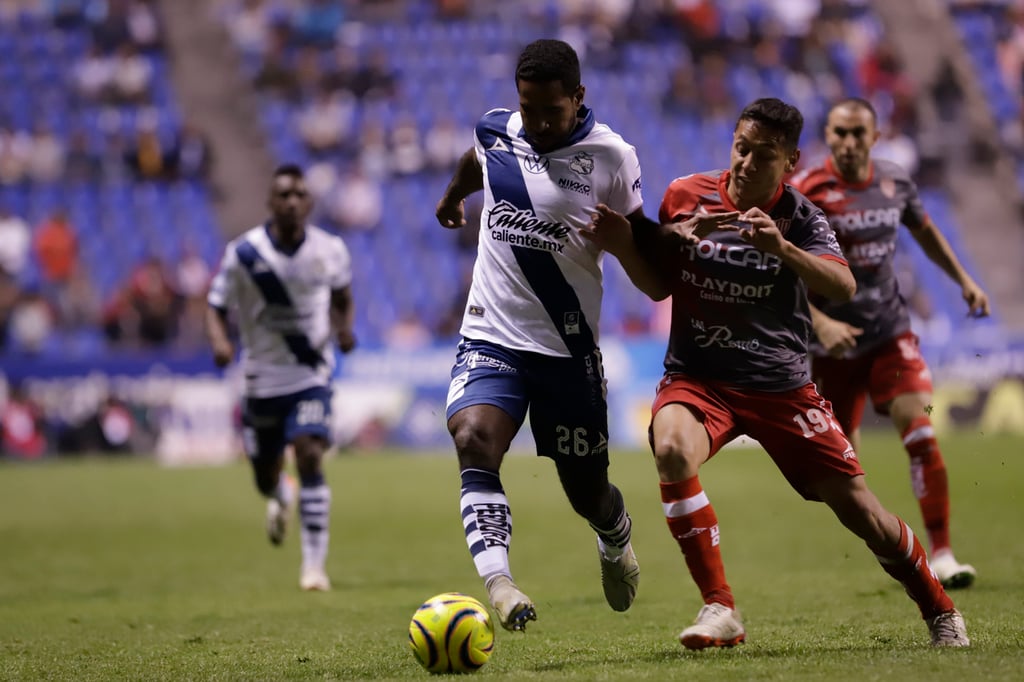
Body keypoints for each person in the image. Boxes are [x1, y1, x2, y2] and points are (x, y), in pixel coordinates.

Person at [585, 98, 969, 648]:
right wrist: (625, 247)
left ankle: (939, 607)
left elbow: (842, 286)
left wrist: (781, 248)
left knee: (862, 512)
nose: (745, 163)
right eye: (741, 148)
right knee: (670, 449)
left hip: (782, 386)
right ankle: (720, 607)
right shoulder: (683, 196)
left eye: (763, 156)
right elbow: (660, 285)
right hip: (699, 376)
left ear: (789, 162)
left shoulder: (803, 217)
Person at [434, 38, 660, 632]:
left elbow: (649, 264)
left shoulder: (612, 157)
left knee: (588, 494)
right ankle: (500, 585)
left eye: (549, 112)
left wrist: (624, 243)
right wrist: (454, 196)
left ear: (578, 97)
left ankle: (615, 537)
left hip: (567, 352)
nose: (535, 123)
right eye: (526, 108)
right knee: (473, 438)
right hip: (492, 335)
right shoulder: (496, 131)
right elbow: (474, 159)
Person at [791, 98, 990, 589]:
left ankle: (942, 553)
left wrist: (963, 279)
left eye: (860, 133)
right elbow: (781, 269)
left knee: (919, 431)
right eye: (841, 133)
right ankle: (892, 550)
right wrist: (820, 324)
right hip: (831, 348)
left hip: (889, 333)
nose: (850, 142)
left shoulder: (895, 182)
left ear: (875, 137)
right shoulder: (806, 192)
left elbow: (926, 232)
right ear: (829, 136)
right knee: (842, 475)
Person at [205, 164, 356, 591]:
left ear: (308, 203)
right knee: (264, 478)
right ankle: (280, 495)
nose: (291, 202)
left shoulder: (331, 249)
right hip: (260, 381)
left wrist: (344, 328)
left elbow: (343, 299)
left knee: (310, 452)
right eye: (283, 195)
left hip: (310, 374)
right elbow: (214, 307)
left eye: (298, 195)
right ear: (270, 203)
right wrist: (219, 342)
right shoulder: (244, 254)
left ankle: (313, 567)